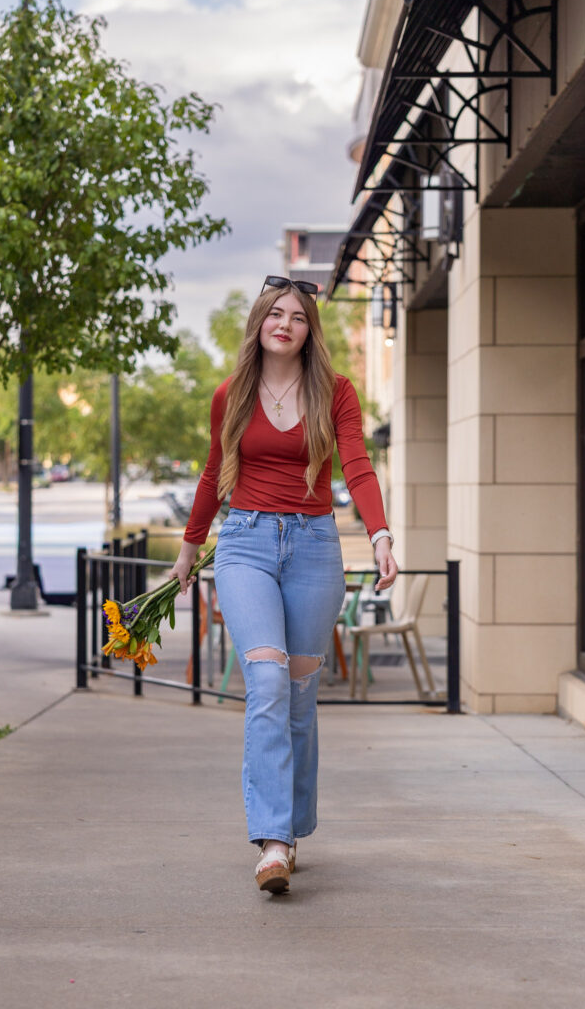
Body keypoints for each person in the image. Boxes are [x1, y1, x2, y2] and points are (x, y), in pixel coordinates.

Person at [169, 275, 398, 893]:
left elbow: (357, 465)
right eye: (276, 313)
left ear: (308, 331)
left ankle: (291, 828)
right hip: (244, 543)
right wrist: (188, 551)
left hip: (314, 546)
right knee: (265, 678)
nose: (286, 324)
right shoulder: (231, 394)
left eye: (298, 317)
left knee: (298, 696)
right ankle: (273, 840)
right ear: (260, 323)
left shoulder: (337, 393)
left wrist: (379, 535)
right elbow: (214, 471)